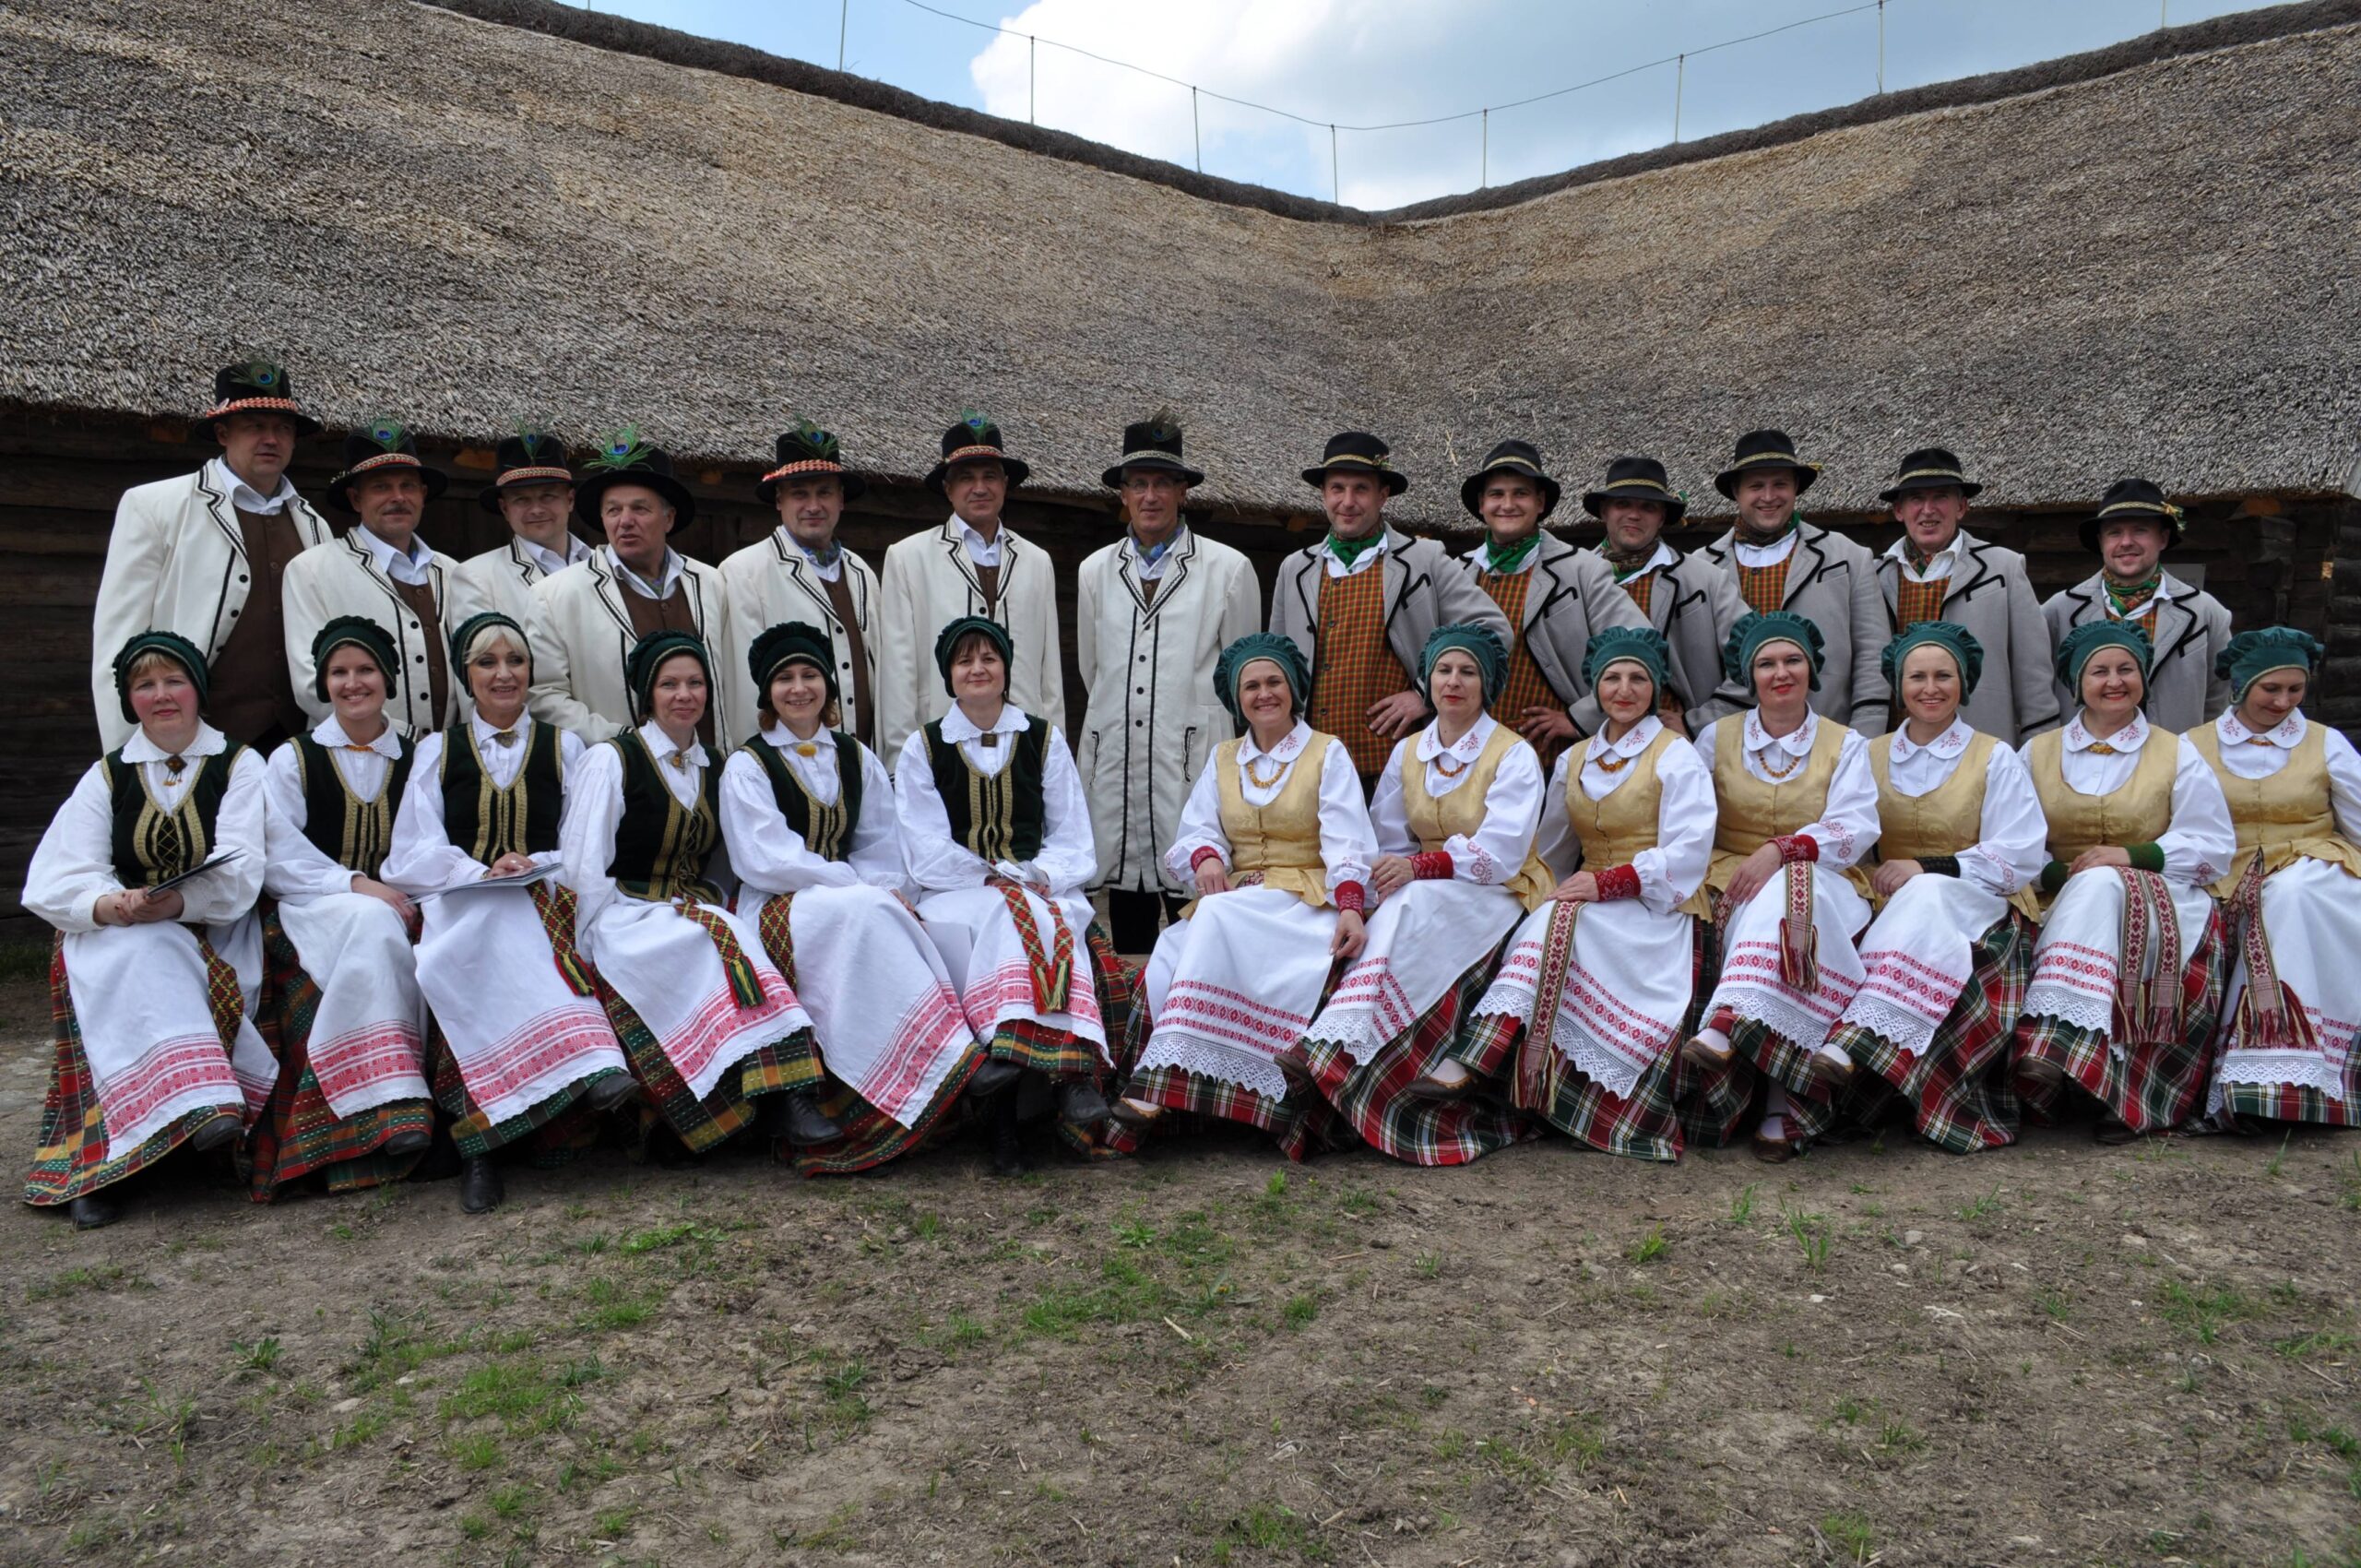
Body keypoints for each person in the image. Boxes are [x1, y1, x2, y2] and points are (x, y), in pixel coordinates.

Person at [383, 612, 634, 1214]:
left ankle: (510, 1126)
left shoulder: (565, 747)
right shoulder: (438, 751)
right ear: (467, 675)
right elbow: (413, 848)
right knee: (473, 940)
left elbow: (582, 840)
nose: (503, 674)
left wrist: (532, 863)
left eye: (515, 661)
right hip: (462, 900)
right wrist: (477, 872)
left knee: (509, 930)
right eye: (487, 662)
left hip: (542, 895)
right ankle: (489, 1142)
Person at [24, 632, 275, 1229]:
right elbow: (57, 873)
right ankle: (121, 1160)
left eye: (174, 681)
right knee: (134, 954)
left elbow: (243, 863)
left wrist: (177, 902)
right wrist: (110, 904)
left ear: (197, 691)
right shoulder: (108, 776)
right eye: (145, 685)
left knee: (157, 947)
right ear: (129, 700)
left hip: (214, 928)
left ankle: (190, 1120)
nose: (161, 695)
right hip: (120, 929)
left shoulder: (239, 764)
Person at [720, 622, 991, 1174]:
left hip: (851, 901)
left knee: (886, 911)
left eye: (810, 675)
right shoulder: (748, 764)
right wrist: (854, 884)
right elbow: (765, 858)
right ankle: (953, 1061)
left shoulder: (855, 756)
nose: (799, 688)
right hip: (778, 904)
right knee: (870, 909)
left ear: (828, 686)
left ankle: (930, 1064)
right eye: (785, 679)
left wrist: (875, 888)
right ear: (767, 693)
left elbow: (881, 844)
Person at [1439, 627, 1716, 1162]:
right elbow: (1553, 849)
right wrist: (1539, 894)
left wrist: (1608, 883)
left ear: (1655, 689)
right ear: (1595, 687)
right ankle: (1524, 1082)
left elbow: (1688, 852)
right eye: (1612, 678)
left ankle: (1479, 1055)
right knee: (1545, 922)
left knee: (1561, 925)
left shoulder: (1676, 755)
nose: (1624, 690)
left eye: (1638, 679)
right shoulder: (1576, 758)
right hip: (1589, 899)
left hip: (1659, 903)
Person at [560, 632, 835, 1155]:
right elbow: (583, 862)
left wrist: (707, 897)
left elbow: (726, 858)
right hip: (624, 914)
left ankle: (783, 1099)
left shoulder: (715, 764)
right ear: (648, 694)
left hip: (691, 911)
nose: (684, 695)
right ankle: (730, 1111)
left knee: (731, 941)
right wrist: (586, 946)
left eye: (695, 683)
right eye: (669, 685)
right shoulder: (613, 760)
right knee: (709, 946)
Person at [1112, 635, 1376, 1154]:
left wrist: (1350, 906)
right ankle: (1191, 1091)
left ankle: (1158, 1084)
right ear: (1237, 698)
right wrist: (1207, 857)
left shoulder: (1327, 752)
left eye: (1274, 682)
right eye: (1251, 686)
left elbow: (1349, 843)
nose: (1264, 694)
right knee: (1169, 950)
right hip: (1241, 900)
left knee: (1211, 919)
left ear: (1293, 688)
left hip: (1303, 902)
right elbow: (1196, 831)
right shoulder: (1224, 757)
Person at [1294, 624, 1545, 1165]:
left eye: (1468, 672)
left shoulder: (1513, 753)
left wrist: (1420, 868)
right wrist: (1376, 887)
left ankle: (1338, 1043)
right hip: (1427, 884)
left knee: (1411, 904)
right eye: (1444, 671)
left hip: (1497, 888)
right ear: (1428, 681)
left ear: (1486, 683)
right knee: (1388, 909)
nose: (1454, 682)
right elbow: (1387, 839)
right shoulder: (1409, 750)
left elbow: (1502, 851)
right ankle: (1339, 1041)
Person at [1820, 624, 2047, 1152]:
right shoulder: (1867, 753)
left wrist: (1931, 866)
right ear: (1898, 686)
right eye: (1916, 677)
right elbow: (1847, 832)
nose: (1930, 688)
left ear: (1964, 683)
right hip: (1885, 898)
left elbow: (2020, 853)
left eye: (1943, 676)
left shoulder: (1995, 756)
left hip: (1981, 902)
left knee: (1926, 893)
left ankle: (1860, 1036)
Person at [895, 617, 1110, 1173]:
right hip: (956, 890)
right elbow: (923, 845)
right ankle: (1041, 1093)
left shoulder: (1042, 738)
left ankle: (1048, 1083)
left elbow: (1072, 833)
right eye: (965, 660)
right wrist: (989, 877)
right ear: (949, 674)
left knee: (1042, 915)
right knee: (1009, 917)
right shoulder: (924, 747)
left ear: (1006, 670)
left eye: (989, 658)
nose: (978, 669)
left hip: (1036, 882)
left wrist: (1039, 874)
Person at [2011, 623, 2236, 1142]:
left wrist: (2132, 856)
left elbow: (2213, 845)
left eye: (2126, 670)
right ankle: (2079, 1066)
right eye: (2099, 671)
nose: (2114, 681)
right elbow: (2012, 841)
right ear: (2077, 682)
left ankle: (2057, 1047)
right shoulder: (2035, 752)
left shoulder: (2176, 752)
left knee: (2105, 886)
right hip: (2055, 895)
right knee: (2096, 886)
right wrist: (2063, 872)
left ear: (2143, 678)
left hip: (2162, 894)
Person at [1680, 612, 1882, 1161]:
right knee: (1783, 905)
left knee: (1792, 889)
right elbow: (1690, 817)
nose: (1781, 673)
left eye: (1793, 660)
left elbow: (1855, 827)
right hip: (1728, 874)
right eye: (1766, 663)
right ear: (1751, 676)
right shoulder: (1714, 738)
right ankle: (1777, 1102)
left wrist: (1782, 849)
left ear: (1812, 670)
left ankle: (1728, 1022)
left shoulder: (1846, 743)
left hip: (1824, 877)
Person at [248, 618, 437, 1199]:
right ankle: (389, 1098)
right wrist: (358, 885)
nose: (353, 683)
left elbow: (435, 839)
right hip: (315, 905)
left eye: (365, 670)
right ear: (324, 684)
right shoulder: (292, 759)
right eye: (339, 672)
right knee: (373, 923)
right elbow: (279, 858)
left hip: (409, 899)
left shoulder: (419, 753)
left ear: (389, 679)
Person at [1075, 415, 1260, 953]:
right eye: (1139, 484)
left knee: (1199, 900)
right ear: (1123, 494)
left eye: (1162, 483)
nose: (1150, 495)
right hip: (1117, 759)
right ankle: (1134, 1004)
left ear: (1183, 492)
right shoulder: (1093, 571)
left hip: (1193, 757)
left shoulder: (1228, 569)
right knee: (1126, 891)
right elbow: (1092, 669)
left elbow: (1243, 680)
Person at [89, 361, 334, 750]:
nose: (271, 439)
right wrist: (130, 755)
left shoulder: (314, 525)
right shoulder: (156, 506)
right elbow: (118, 640)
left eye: (283, 428)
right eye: (255, 426)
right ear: (223, 433)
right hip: (192, 736)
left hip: (295, 741)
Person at [2185, 630, 2361, 1129]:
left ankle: (2291, 1074)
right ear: (2241, 686)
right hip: (2224, 873)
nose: (2283, 702)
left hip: (2314, 864)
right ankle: (2251, 1082)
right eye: (2271, 689)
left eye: (2295, 689)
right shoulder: (2192, 746)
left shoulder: (2326, 743)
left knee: (2289, 896)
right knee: (2265, 900)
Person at [1270, 432, 1512, 793]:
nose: (1347, 502)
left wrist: (1424, 693)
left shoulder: (1423, 559)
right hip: (1311, 767)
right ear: (1323, 494)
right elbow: (1276, 659)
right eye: (1337, 489)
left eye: (1361, 489)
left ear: (1382, 495)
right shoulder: (1295, 568)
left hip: (1393, 767)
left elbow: (1493, 629)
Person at [527, 428, 742, 744]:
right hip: (621, 767)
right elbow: (544, 696)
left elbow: (732, 681)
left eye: (640, 508)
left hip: (711, 765)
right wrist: (624, 743)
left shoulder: (711, 583)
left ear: (668, 518)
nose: (625, 521)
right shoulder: (555, 594)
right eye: (613, 510)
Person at [875, 414, 1064, 764]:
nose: (980, 488)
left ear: (1005, 484)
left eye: (989, 476)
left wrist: (1053, 751)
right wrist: (901, 761)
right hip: (940, 745)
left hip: (1023, 744)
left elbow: (1049, 672)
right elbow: (898, 672)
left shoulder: (1037, 561)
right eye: (966, 478)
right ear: (948, 489)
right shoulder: (908, 558)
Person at [1451, 440, 1645, 769]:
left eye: (1521, 494)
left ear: (1540, 502)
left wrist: (1580, 717)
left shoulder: (1582, 569)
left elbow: (1640, 645)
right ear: (1482, 504)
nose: (1507, 504)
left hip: (1552, 756)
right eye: (1497, 494)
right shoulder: (1457, 571)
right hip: (1467, 755)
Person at [1697, 431, 1888, 735]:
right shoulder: (1699, 568)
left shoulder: (1848, 557)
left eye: (1780, 484)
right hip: (1727, 744)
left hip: (1829, 740)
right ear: (1736, 491)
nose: (1769, 496)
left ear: (1796, 487)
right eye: (1756, 486)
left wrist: (1863, 739)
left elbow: (1872, 654)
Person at [282, 419, 460, 736]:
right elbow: (311, 684)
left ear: (422, 494)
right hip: (354, 754)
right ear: (355, 499)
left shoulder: (453, 572)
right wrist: (394, 738)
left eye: (408, 486)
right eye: (381, 487)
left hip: (450, 754)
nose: (398, 497)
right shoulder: (311, 570)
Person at [1871, 448, 2059, 744]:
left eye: (1941, 497)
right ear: (1899, 510)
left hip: (1981, 746)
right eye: (1916, 499)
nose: (1928, 510)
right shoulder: (1873, 576)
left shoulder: (2004, 568)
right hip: (1894, 747)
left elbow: (2033, 674)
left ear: (1961, 506)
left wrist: (2039, 749)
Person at [718, 422, 884, 750]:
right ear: (779, 501)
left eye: (824, 492)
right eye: (799, 494)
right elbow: (745, 691)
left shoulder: (862, 572)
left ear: (841, 500)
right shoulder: (744, 572)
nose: (813, 506)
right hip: (787, 761)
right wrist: (761, 763)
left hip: (862, 759)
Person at [1574, 456, 1751, 736]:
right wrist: (1576, 720)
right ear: (1605, 511)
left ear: (1661, 517)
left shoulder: (1706, 579)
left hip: (1678, 743)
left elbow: (1753, 657)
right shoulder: (1571, 577)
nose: (1634, 515)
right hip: (1591, 742)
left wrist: (1697, 722)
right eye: (1623, 504)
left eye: (1648, 507)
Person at [2041, 478, 2233, 735]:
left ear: (2163, 538)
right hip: (2084, 755)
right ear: (2101, 542)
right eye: (2114, 533)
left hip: (2174, 755)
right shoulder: (2058, 610)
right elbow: (2039, 689)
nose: (2126, 542)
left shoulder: (2206, 612)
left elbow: (2219, 699)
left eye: (2140, 530)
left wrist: (2195, 750)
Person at [445, 426, 590, 628]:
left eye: (548, 496)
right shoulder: (476, 577)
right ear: (504, 508)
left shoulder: (605, 564)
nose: (537, 510)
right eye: (521, 499)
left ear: (570, 500)